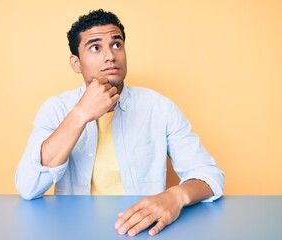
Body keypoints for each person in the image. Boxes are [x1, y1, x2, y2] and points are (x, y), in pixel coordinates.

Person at [15, 9, 224, 237]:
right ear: (76, 63)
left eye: (117, 45)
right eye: (96, 47)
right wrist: (81, 114)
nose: (110, 56)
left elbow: (209, 175)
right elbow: (28, 186)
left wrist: (175, 197)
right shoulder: (55, 109)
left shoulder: (159, 108)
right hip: (73, 230)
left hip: (143, 231)